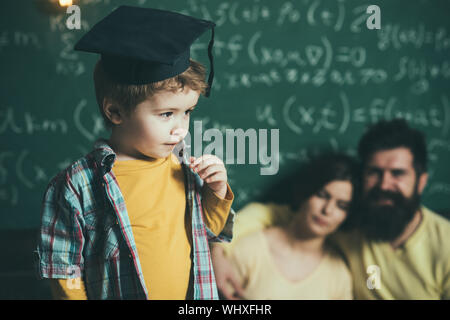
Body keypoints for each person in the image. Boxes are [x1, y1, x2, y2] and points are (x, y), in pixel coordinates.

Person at [34, 6, 235, 300]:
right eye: (166, 114)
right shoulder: (75, 186)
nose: (180, 129)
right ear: (115, 111)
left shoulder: (186, 169)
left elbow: (207, 235)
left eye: (187, 112)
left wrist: (215, 192)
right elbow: (64, 273)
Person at [213, 119, 450, 300]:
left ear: (421, 181)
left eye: (398, 174)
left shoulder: (445, 244)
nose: (384, 184)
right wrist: (216, 246)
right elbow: (274, 215)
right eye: (374, 173)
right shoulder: (353, 227)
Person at [212, 153, 357, 299]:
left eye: (341, 206)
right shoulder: (251, 249)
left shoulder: (339, 274)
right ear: (305, 192)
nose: (328, 210)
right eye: (321, 195)